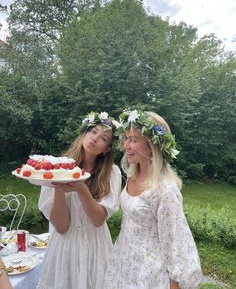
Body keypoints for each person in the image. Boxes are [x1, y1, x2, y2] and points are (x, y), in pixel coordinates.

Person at [103, 109, 202, 289]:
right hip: (124, 263)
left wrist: (175, 283)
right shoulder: (133, 175)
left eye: (134, 139)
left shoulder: (164, 190)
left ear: (152, 144)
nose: (126, 146)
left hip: (149, 275)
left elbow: (176, 241)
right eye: (126, 138)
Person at [37, 111, 122, 289]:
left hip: (96, 246)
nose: (95, 138)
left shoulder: (111, 173)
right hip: (65, 247)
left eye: (104, 138)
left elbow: (98, 220)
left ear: (106, 149)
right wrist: (59, 184)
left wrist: (82, 189)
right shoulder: (55, 167)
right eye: (93, 132)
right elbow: (61, 227)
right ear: (84, 133)